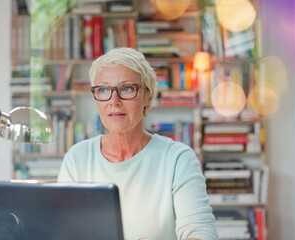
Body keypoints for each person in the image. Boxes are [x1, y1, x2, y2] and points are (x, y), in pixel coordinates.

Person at [58, 47, 218, 240]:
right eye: (103, 89)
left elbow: (200, 232)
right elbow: (63, 230)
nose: (114, 101)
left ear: (148, 96)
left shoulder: (178, 159)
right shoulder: (78, 158)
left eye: (126, 88)